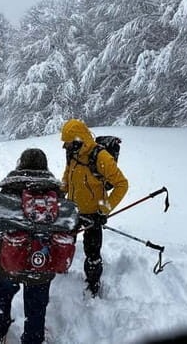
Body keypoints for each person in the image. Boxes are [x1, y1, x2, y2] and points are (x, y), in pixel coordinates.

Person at [0, 148, 62, 344]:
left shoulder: (11, 187)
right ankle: (33, 338)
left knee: (2, 296)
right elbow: (64, 224)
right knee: (36, 306)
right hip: (41, 260)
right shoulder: (55, 190)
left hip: (10, 258)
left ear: (21, 164)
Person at [60, 118, 128, 297]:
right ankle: (61, 273)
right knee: (63, 243)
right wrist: (60, 192)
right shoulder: (72, 154)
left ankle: (93, 285)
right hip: (72, 210)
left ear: (78, 140)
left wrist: (104, 210)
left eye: (68, 143)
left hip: (93, 214)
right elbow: (67, 176)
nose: (65, 147)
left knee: (92, 253)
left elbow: (122, 184)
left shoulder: (101, 157)